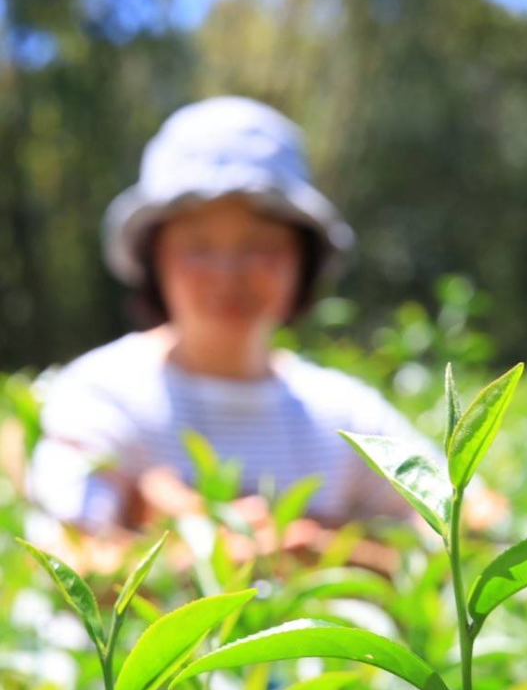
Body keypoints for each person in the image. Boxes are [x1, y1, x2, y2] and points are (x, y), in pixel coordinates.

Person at [26, 96, 488, 570]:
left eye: (260, 246)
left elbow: (473, 519)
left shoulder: (341, 412)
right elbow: (65, 561)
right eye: (198, 247)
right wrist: (225, 558)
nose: (230, 274)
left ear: (302, 259)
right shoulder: (103, 393)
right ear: (154, 257)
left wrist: (335, 552)